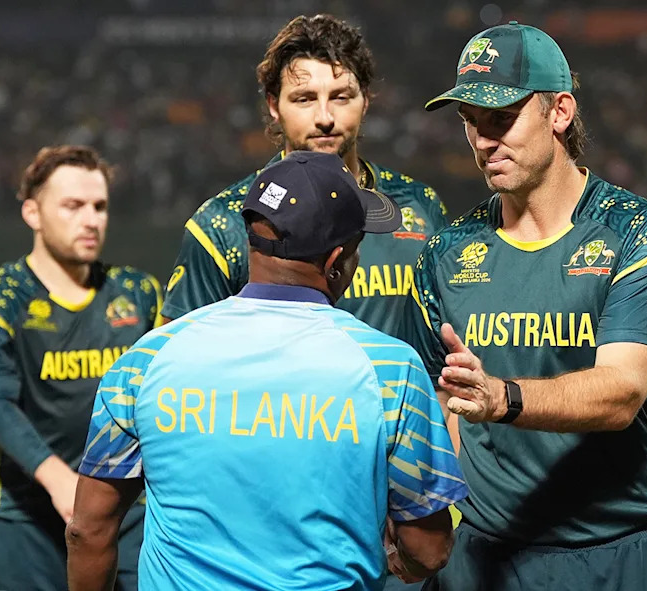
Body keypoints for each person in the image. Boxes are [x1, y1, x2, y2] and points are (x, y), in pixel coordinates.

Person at [66, 151, 468, 591]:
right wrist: (399, 557)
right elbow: (428, 550)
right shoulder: (391, 369)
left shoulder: (147, 359)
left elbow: (88, 531)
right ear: (336, 261)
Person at [403, 22, 647, 590]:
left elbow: (621, 392)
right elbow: (440, 402)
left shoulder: (638, 232)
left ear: (559, 112)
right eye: (472, 121)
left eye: (502, 118)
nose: (484, 140)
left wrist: (501, 398)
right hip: (485, 557)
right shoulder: (445, 253)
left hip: (618, 556)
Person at [161, 13, 448, 340]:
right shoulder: (222, 226)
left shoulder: (421, 206)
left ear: (366, 101)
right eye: (305, 98)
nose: (325, 117)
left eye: (341, 97)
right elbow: (174, 356)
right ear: (274, 105)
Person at [0, 145, 162, 591]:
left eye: (99, 207)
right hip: (25, 520)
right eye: (73, 206)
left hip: (125, 516)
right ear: (32, 212)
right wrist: (59, 480)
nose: (91, 220)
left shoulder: (139, 293)